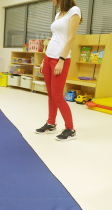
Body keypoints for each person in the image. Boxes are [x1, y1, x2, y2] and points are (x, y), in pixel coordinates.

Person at [35, 0, 82, 141]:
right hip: (49, 57)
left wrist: (61, 60)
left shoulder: (74, 11)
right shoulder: (58, 14)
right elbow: (54, 38)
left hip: (60, 59)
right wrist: (44, 59)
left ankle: (70, 129)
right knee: (50, 94)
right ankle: (51, 123)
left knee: (57, 96)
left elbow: (71, 38)